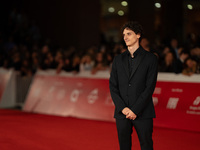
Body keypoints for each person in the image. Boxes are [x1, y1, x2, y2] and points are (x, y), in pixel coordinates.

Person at [109, 21, 158, 150]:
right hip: (122, 113)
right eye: (124, 34)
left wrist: (135, 110)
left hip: (143, 111)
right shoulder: (118, 59)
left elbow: (150, 87)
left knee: (146, 145)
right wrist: (123, 108)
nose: (125, 37)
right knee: (124, 147)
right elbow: (113, 86)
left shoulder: (151, 59)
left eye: (129, 34)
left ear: (138, 35)